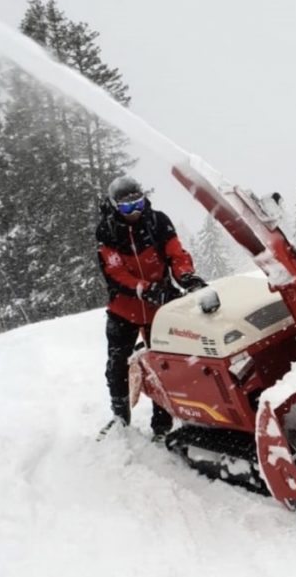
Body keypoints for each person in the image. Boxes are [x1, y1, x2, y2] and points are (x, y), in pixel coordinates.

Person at [95, 176, 208, 438]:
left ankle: (162, 426)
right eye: (126, 207)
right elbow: (114, 272)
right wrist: (145, 288)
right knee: (117, 365)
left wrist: (186, 276)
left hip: (160, 310)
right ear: (114, 206)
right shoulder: (107, 231)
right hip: (123, 309)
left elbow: (176, 253)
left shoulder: (158, 221)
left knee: (164, 364)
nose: (134, 211)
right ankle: (120, 418)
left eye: (138, 203)